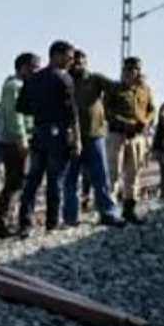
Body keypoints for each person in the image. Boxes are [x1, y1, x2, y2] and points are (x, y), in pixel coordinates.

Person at [18, 41, 79, 234]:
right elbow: (72, 112)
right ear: (57, 55)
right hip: (58, 133)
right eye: (69, 57)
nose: (71, 61)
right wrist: (76, 138)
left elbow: (22, 107)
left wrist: (41, 110)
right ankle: (52, 223)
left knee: (33, 179)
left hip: (39, 131)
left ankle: (25, 223)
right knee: (55, 179)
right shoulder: (64, 78)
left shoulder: (33, 79)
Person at [62, 50, 124, 227]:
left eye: (81, 61)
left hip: (94, 135)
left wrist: (110, 113)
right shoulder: (65, 80)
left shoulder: (95, 79)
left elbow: (117, 89)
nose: (78, 65)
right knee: (71, 179)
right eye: (74, 61)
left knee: (100, 176)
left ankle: (107, 213)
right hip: (72, 137)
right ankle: (70, 217)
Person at [0, 52, 37, 236]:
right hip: (13, 142)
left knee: (16, 184)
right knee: (14, 184)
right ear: (23, 67)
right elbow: (15, 115)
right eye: (34, 67)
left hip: (16, 140)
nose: (36, 71)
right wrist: (22, 139)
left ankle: (5, 222)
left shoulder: (20, 86)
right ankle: (2, 224)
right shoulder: (14, 86)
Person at [104, 57, 155, 223]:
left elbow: (152, 110)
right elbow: (106, 111)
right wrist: (124, 123)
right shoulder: (114, 88)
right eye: (130, 69)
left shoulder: (144, 90)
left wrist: (146, 121)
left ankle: (129, 209)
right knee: (114, 173)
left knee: (134, 173)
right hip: (117, 135)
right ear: (124, 70)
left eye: (137, 69)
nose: (133, 72)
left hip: (137, 137)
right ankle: (110, 210)